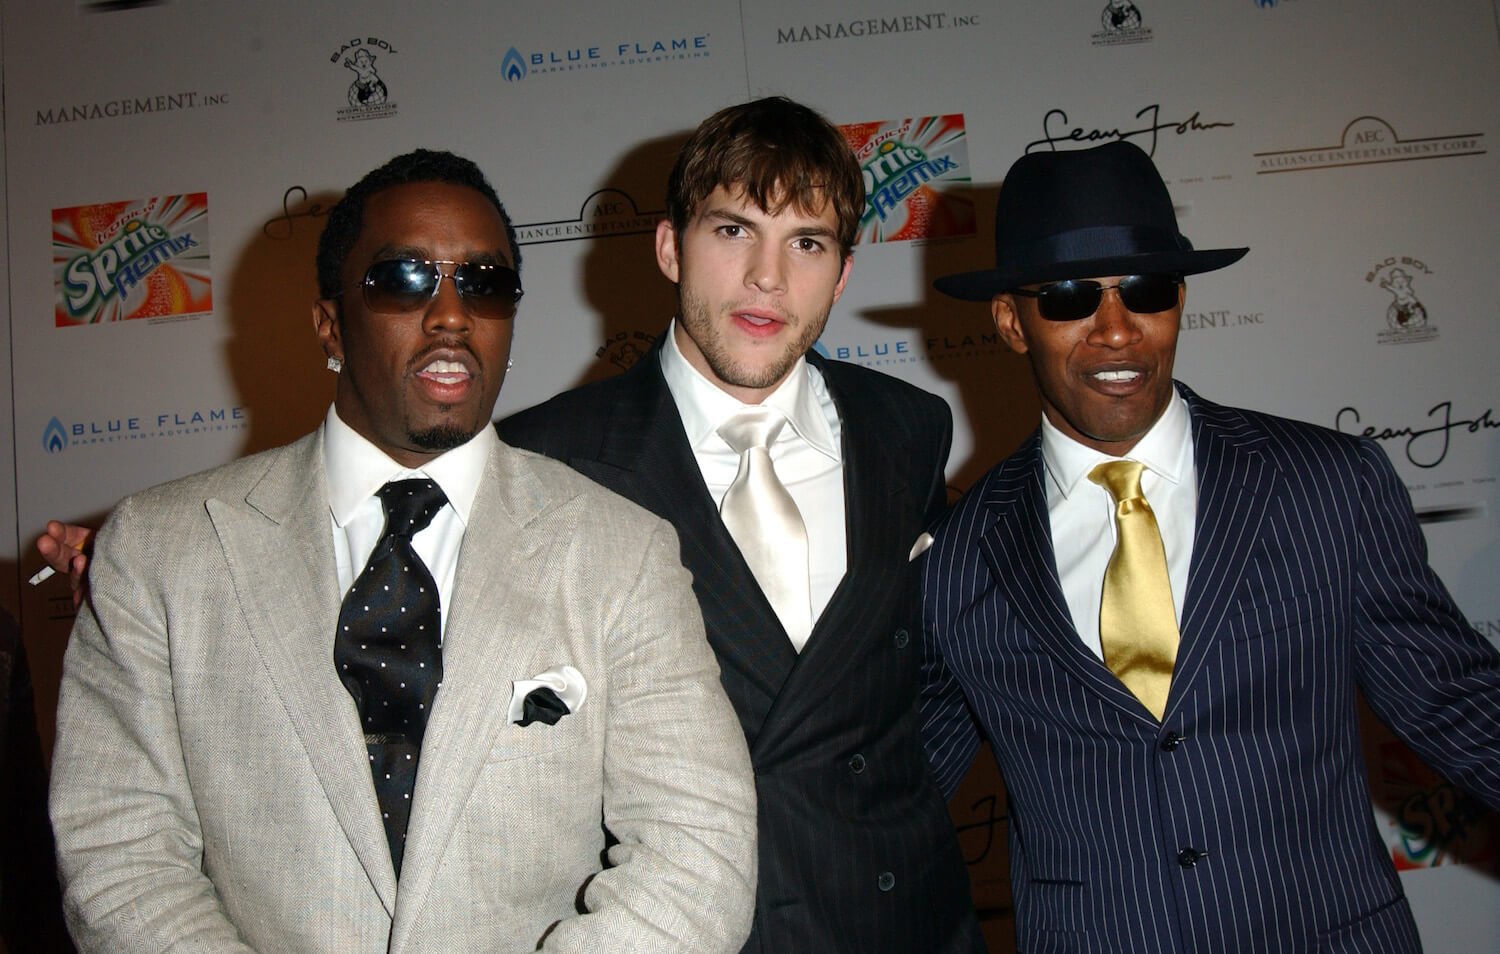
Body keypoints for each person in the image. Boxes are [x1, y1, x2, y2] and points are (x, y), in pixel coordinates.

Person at [48, 150, 757, 953]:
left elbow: (698, 855)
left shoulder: (621, 555)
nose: (453, 314)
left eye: (485, 282)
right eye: (405, 280)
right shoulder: (157, 553)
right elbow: (119, 854)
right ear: (330, 324)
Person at [921, 140, 1500, 952]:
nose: (1117, 331)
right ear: (1012, 322)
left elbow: (1457, 702)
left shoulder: (1325, 486)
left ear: (1180, 303)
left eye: (1146, 291)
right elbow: (895, 796)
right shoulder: (958, 555)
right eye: (1068, 298)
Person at [499, 98, 981, 953]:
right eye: (732, 231)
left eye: (807, 243)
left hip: (904, 920)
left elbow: (941, 666)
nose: (768, 277)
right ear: (668, 246)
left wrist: (877, 813)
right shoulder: (546, 460)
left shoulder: (906, 429)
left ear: (841, 273)